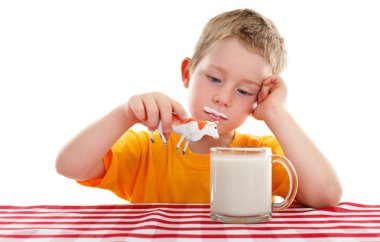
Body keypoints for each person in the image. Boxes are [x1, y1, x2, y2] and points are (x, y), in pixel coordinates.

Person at [56, 8, 342, 208]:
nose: (223, 98)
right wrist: (125, 115)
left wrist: (276, 113)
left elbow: (327, 195)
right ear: (187, 73)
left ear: (259, 99)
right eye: (214, 79)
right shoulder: (148, 149)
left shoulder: (258, 157)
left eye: (244, 91)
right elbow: (69, 166)